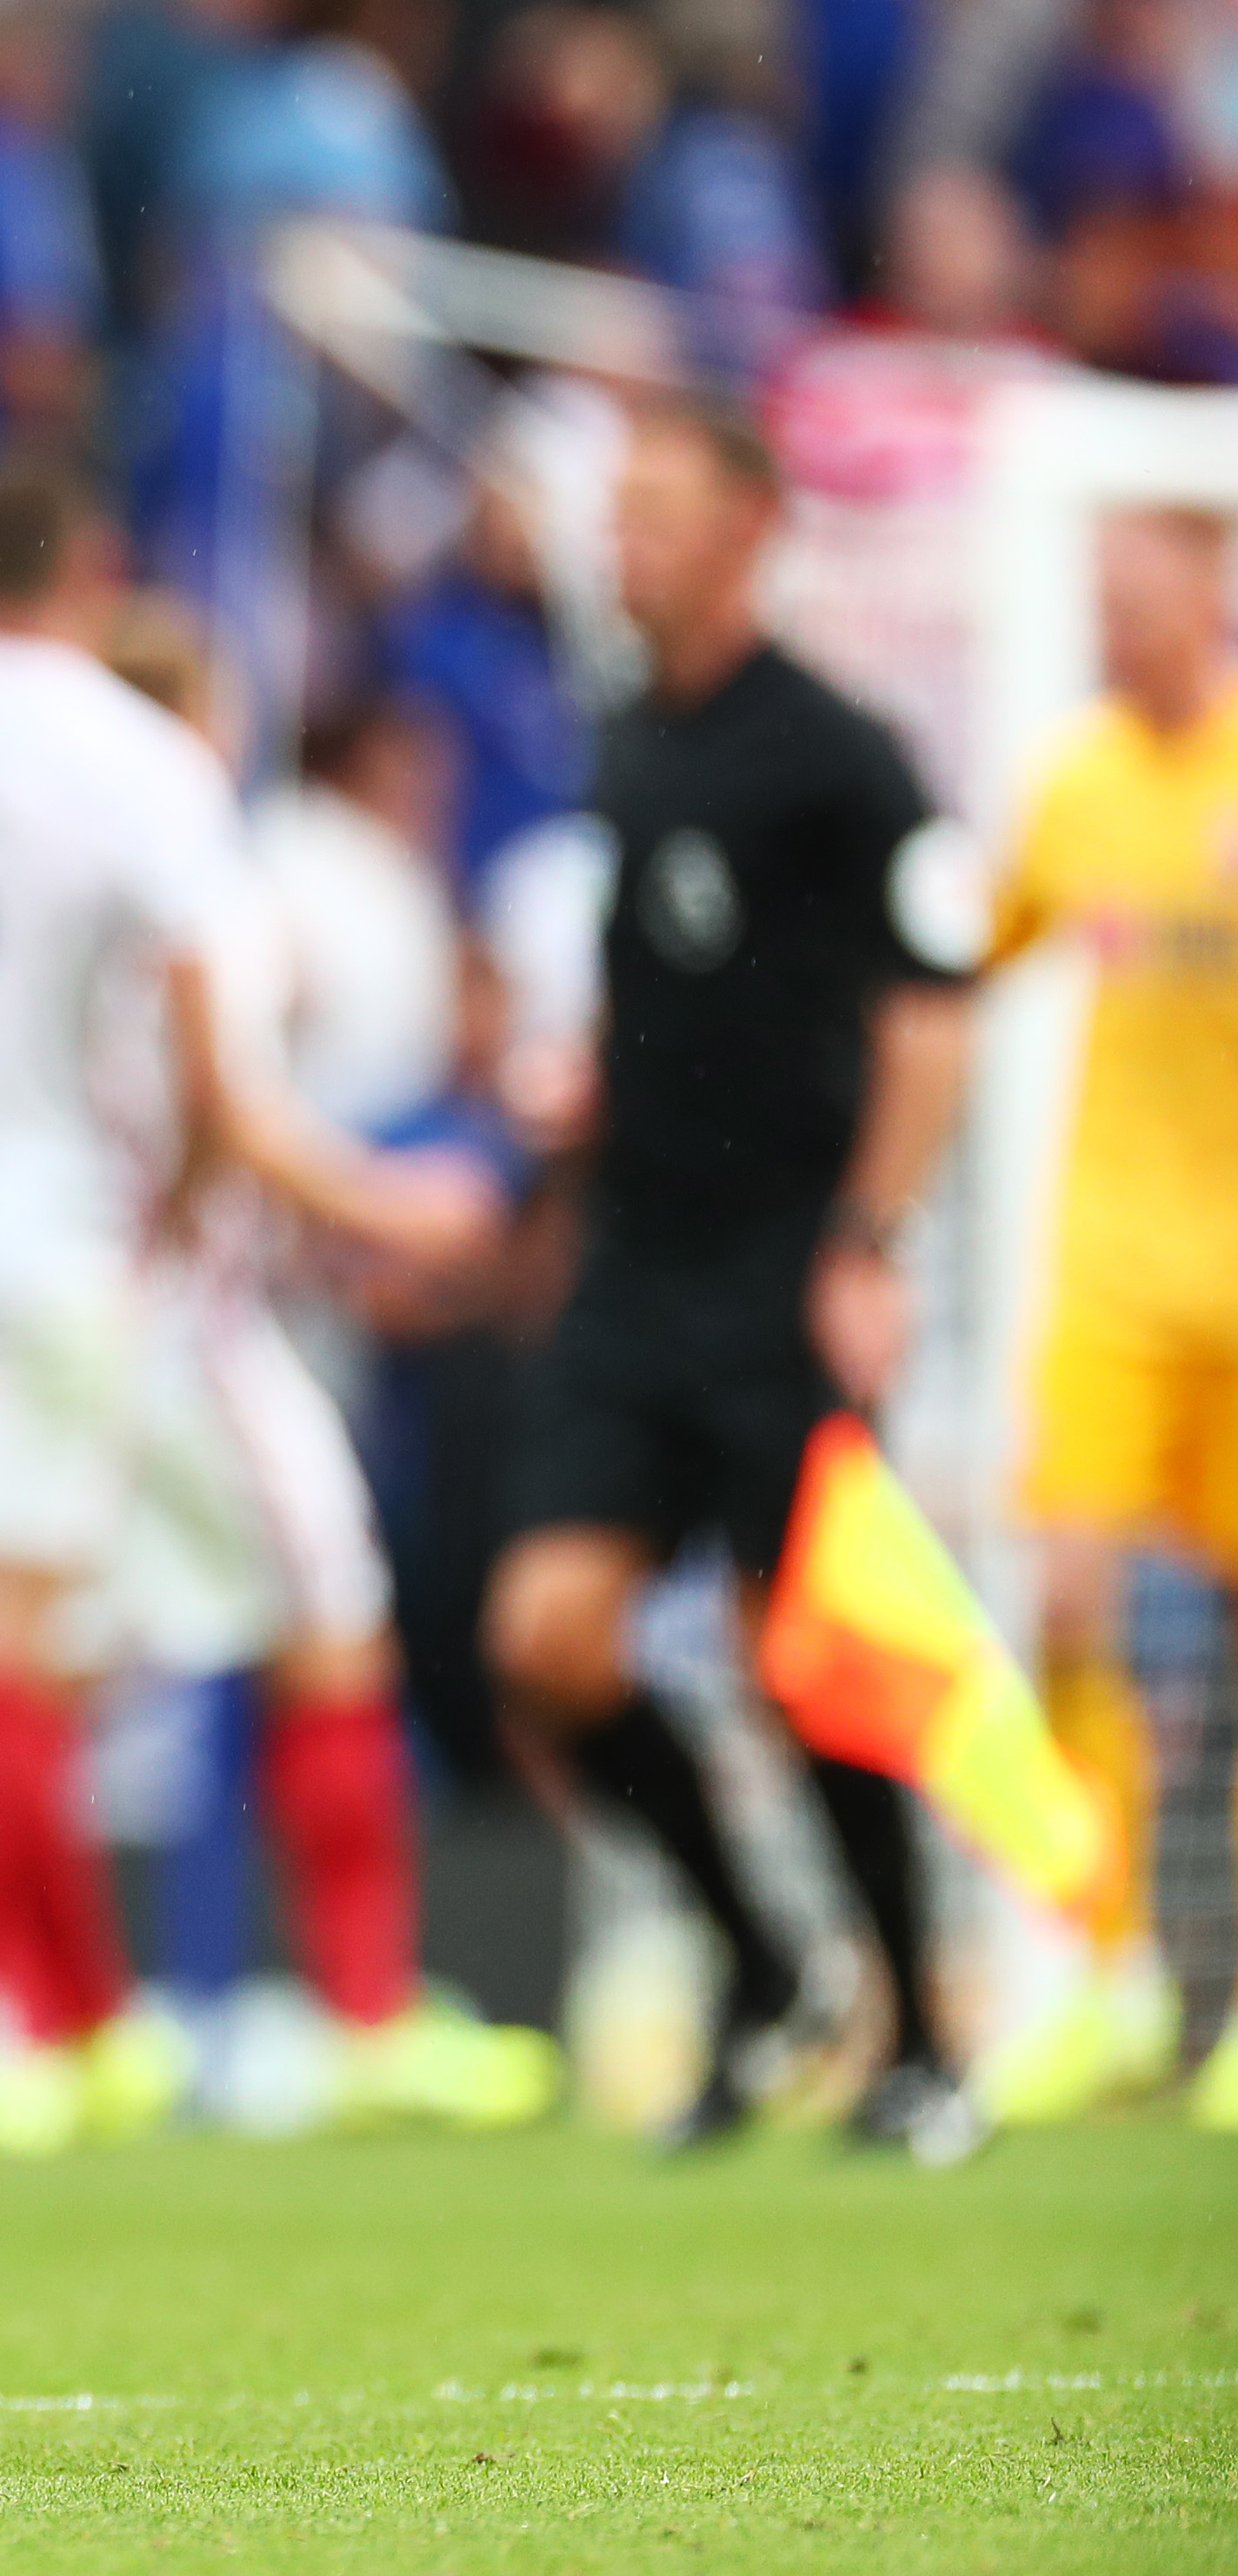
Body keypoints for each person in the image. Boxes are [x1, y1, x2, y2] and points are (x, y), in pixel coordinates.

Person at [0, 450, 481, 2154]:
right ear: (89, 568)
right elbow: (225, 1093)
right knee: (79, 1629)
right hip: (64, 1258)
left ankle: (59, 2021)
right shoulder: (128, 772)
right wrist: (356, 1203)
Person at [480, 399, 987, 2164]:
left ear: (751, 529)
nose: (621, 545)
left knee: (813, 1656)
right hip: (634, 1260)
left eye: (656, 514)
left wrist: (865, 1239)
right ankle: (765, 1959)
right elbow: (667, 989)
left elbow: (928, 1019)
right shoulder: (627, 734)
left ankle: (922, 2034)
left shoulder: (840, 751)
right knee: (541, 1632)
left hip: (783, 1258)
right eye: (614, 514)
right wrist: (579, 1093)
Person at [92, 603, 562, 2134]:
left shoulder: (79, 880)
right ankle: (362, 2013)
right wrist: (392, 1203)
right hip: (177, 1315)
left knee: (33, 1655)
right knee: (332, 1611)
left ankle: (14, 2025)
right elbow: (230, 1122)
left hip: (66, 1293)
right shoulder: (194, 881)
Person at [976, 506, 1238, 2134]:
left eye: (1137, 599)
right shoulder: (1073, 785)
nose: (1113, 626)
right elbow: (957, 965)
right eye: (1100, 601)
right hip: (1114, 1270)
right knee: (1073, 1595)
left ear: (1209, 597)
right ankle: (1103, 1960)